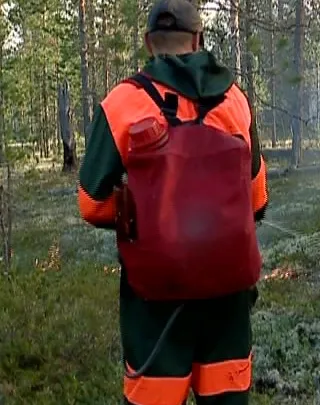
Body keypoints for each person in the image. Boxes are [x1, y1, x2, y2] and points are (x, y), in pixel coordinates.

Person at [77, 0, 268, 403]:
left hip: (154, 303)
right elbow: (257, 200)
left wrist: (145, 215)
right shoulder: (236, 101)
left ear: (149, 44)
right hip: (227, 303)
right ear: (198, 40)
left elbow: (91, 203)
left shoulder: (122, 103)